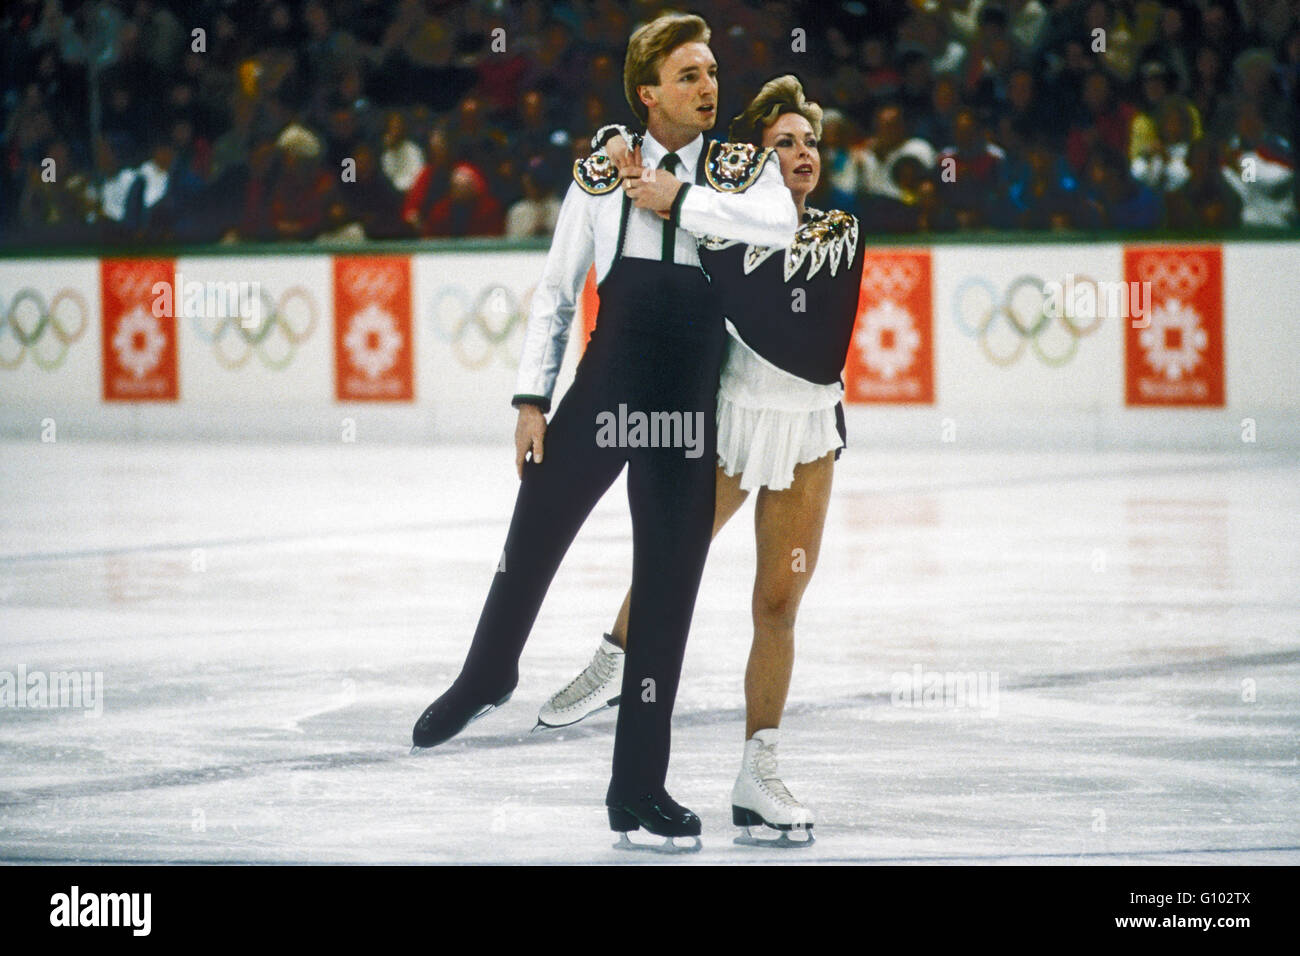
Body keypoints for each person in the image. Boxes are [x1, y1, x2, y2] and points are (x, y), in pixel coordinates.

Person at [409, 13, 798, 852]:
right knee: (539, 514)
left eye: (712, 72)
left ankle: (637, 790)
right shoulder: (596, 171)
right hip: (612, 382)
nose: (709, 87)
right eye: (689, 76)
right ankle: (488, 671)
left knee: (666, 593)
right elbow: (556, 291)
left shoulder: (737, 168)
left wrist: (679, 199)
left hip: (689, 401)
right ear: (649, 91)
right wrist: (528, 399)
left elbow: (782, 224)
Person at [538, 75, 864, 848]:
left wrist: (685, 208)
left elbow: (807, 342)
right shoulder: (717, 220)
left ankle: (758, 773)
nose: (803, 153)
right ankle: (618, 658)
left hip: (806, 426)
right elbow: (636, 175)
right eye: (783, 142)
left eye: (811, 142)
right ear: (750, 159)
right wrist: (610, 148)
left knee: (779, 603)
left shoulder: (835, 230)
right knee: (672, 561)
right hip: (725, 414)